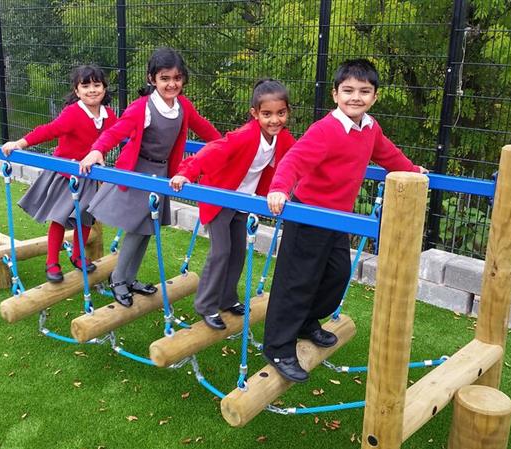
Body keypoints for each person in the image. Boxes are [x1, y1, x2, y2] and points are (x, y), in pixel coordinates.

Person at [262, 59, 429, 383]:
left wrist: (412, 170)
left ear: (374, 96)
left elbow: (388, 155)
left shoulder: (369, 128)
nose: (356, 97)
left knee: (336, 275)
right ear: (336, 95)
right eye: (349, 90)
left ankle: (309, 321)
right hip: (309, 215)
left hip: (339, 218)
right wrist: (280, 189)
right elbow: (294, 159)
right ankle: (279, 346)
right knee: (297, 281)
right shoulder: (326, 129)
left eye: (364, 91)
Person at [79, 47, 221, 307]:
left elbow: (204, 128)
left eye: (177, 78)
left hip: (162, 174)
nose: (171, 84)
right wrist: (96, 150)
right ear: (152, 79)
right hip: (139, 173)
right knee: (136, 228)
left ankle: (129, 278)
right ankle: (118, 279)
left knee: (147, 229)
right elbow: (117, 131)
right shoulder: (142, 107)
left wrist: (228, 147)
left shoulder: (182, 106)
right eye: (165, 78)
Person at [169, 79, 295, 330]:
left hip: (242, 200)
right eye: (267, 114)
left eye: (281, 113)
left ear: (287, 112)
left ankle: (227, 299)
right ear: (255, 114)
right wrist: (187, 172)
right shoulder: (245, 136)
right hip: (220, 197)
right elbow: (213, 150)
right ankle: (205, 305)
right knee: (221, 252)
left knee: (238, 252)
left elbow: (299, 159)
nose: (274, 120)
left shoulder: (282, 139)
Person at [1, 65, 116, 283]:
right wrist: (20, 143)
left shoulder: (108, 115)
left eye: (97, 85)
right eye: (86, 86)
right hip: (67, 174)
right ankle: (52, 261)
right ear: (77, 90)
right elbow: (50, 130)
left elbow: (121, 132)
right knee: (60, 218)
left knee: (85, 218)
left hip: (89, 175)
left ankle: (77, 255)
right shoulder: (74, 113)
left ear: (104, 88)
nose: (92, 90)